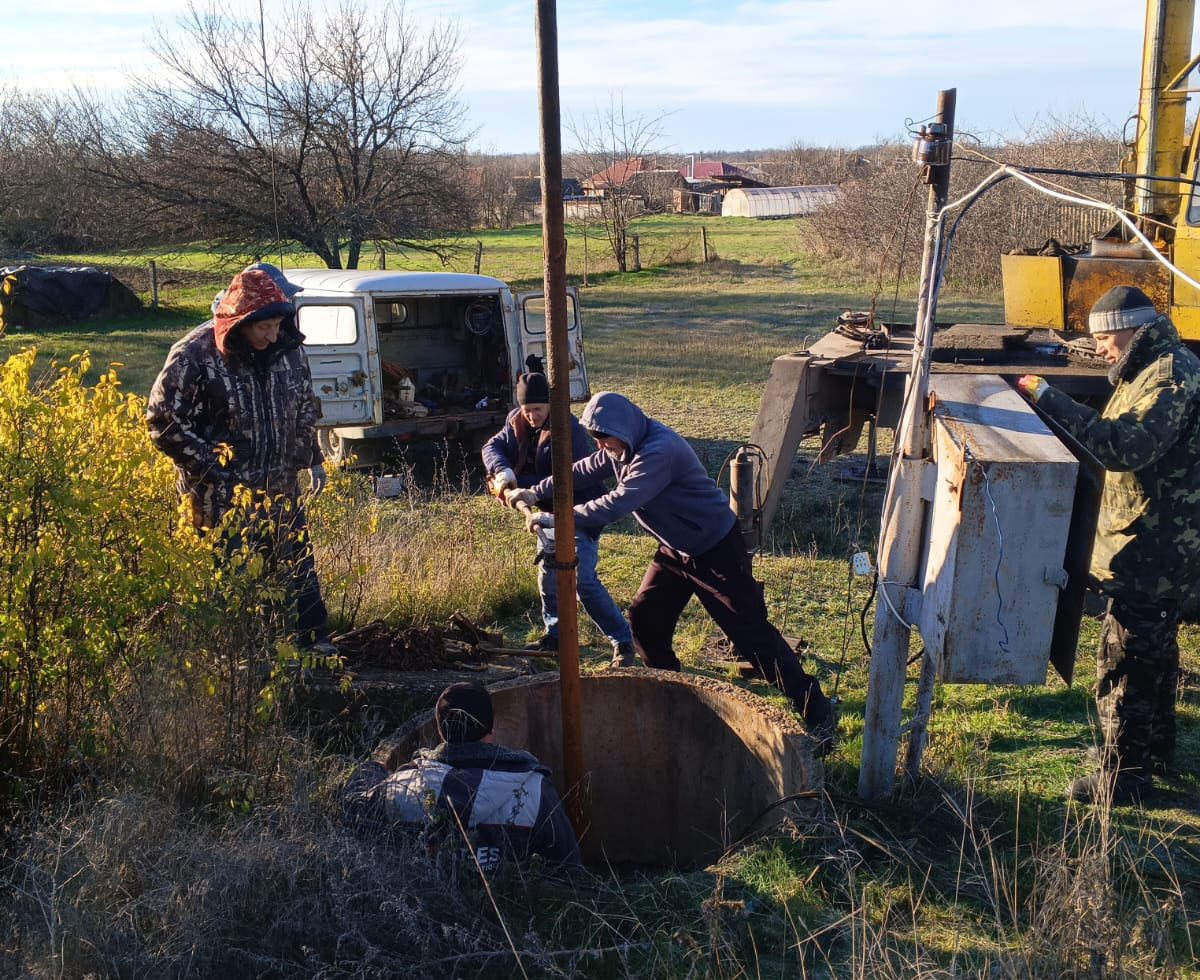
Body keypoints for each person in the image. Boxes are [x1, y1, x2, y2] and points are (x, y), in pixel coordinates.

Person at [507, 391, 837, 748]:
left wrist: (555, 518)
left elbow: (618, 503)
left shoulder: (658, 452)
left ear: (623, 428)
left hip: (716, 550)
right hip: (676, 550)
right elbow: (583, 470)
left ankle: (816, 710)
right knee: (645, 621)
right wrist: (534, 491)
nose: (600, 446)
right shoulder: (619, 447)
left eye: (604, 438)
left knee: (752, 639)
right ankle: (672, 698)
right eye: (596, 439)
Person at [1017, 284, 1200, 804]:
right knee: (1154, 654)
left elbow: (1125, 445)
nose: (1099, 349)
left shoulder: (1167, 374)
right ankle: (1154, 752)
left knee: (1125, 659)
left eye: (1104, 338)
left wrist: (1045, 395)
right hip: (1156, 541)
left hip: (1152, 547)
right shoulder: (1154, 365)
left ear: (1132, 329)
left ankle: (1124, 777)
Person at [146, 264, 337, 656]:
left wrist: (310, 455)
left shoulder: (288, 347)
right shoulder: (196, 354)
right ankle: (234, 663)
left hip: (281, 487)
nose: (273, 334)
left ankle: (313, 647)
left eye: (278, 324)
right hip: (219, 499)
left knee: (298, 570)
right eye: (264, 327)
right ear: (241, 321)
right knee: (228, 584)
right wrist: (213, 469)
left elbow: (304, 403)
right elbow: (162, 421)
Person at [341, 681, 581, 873]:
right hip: (514, 913)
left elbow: (351, 807)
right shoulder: (534, 788)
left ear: (439, 730)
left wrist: (369, 770)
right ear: (491, 729)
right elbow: (567, 867)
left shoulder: (403, 787)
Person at [483, 372, 636, 667]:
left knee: (582, 580)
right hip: (544, 514)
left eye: (538, 409)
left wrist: (523, 486)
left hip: (580, 511)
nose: (531, 416)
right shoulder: (516, 420)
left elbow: (564, 478)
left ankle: (624, 641)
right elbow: (492, 448)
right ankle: (555, 637)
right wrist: (503, 472)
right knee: (548, 575)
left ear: (551, 405)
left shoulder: (571, 430)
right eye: (527, 409)